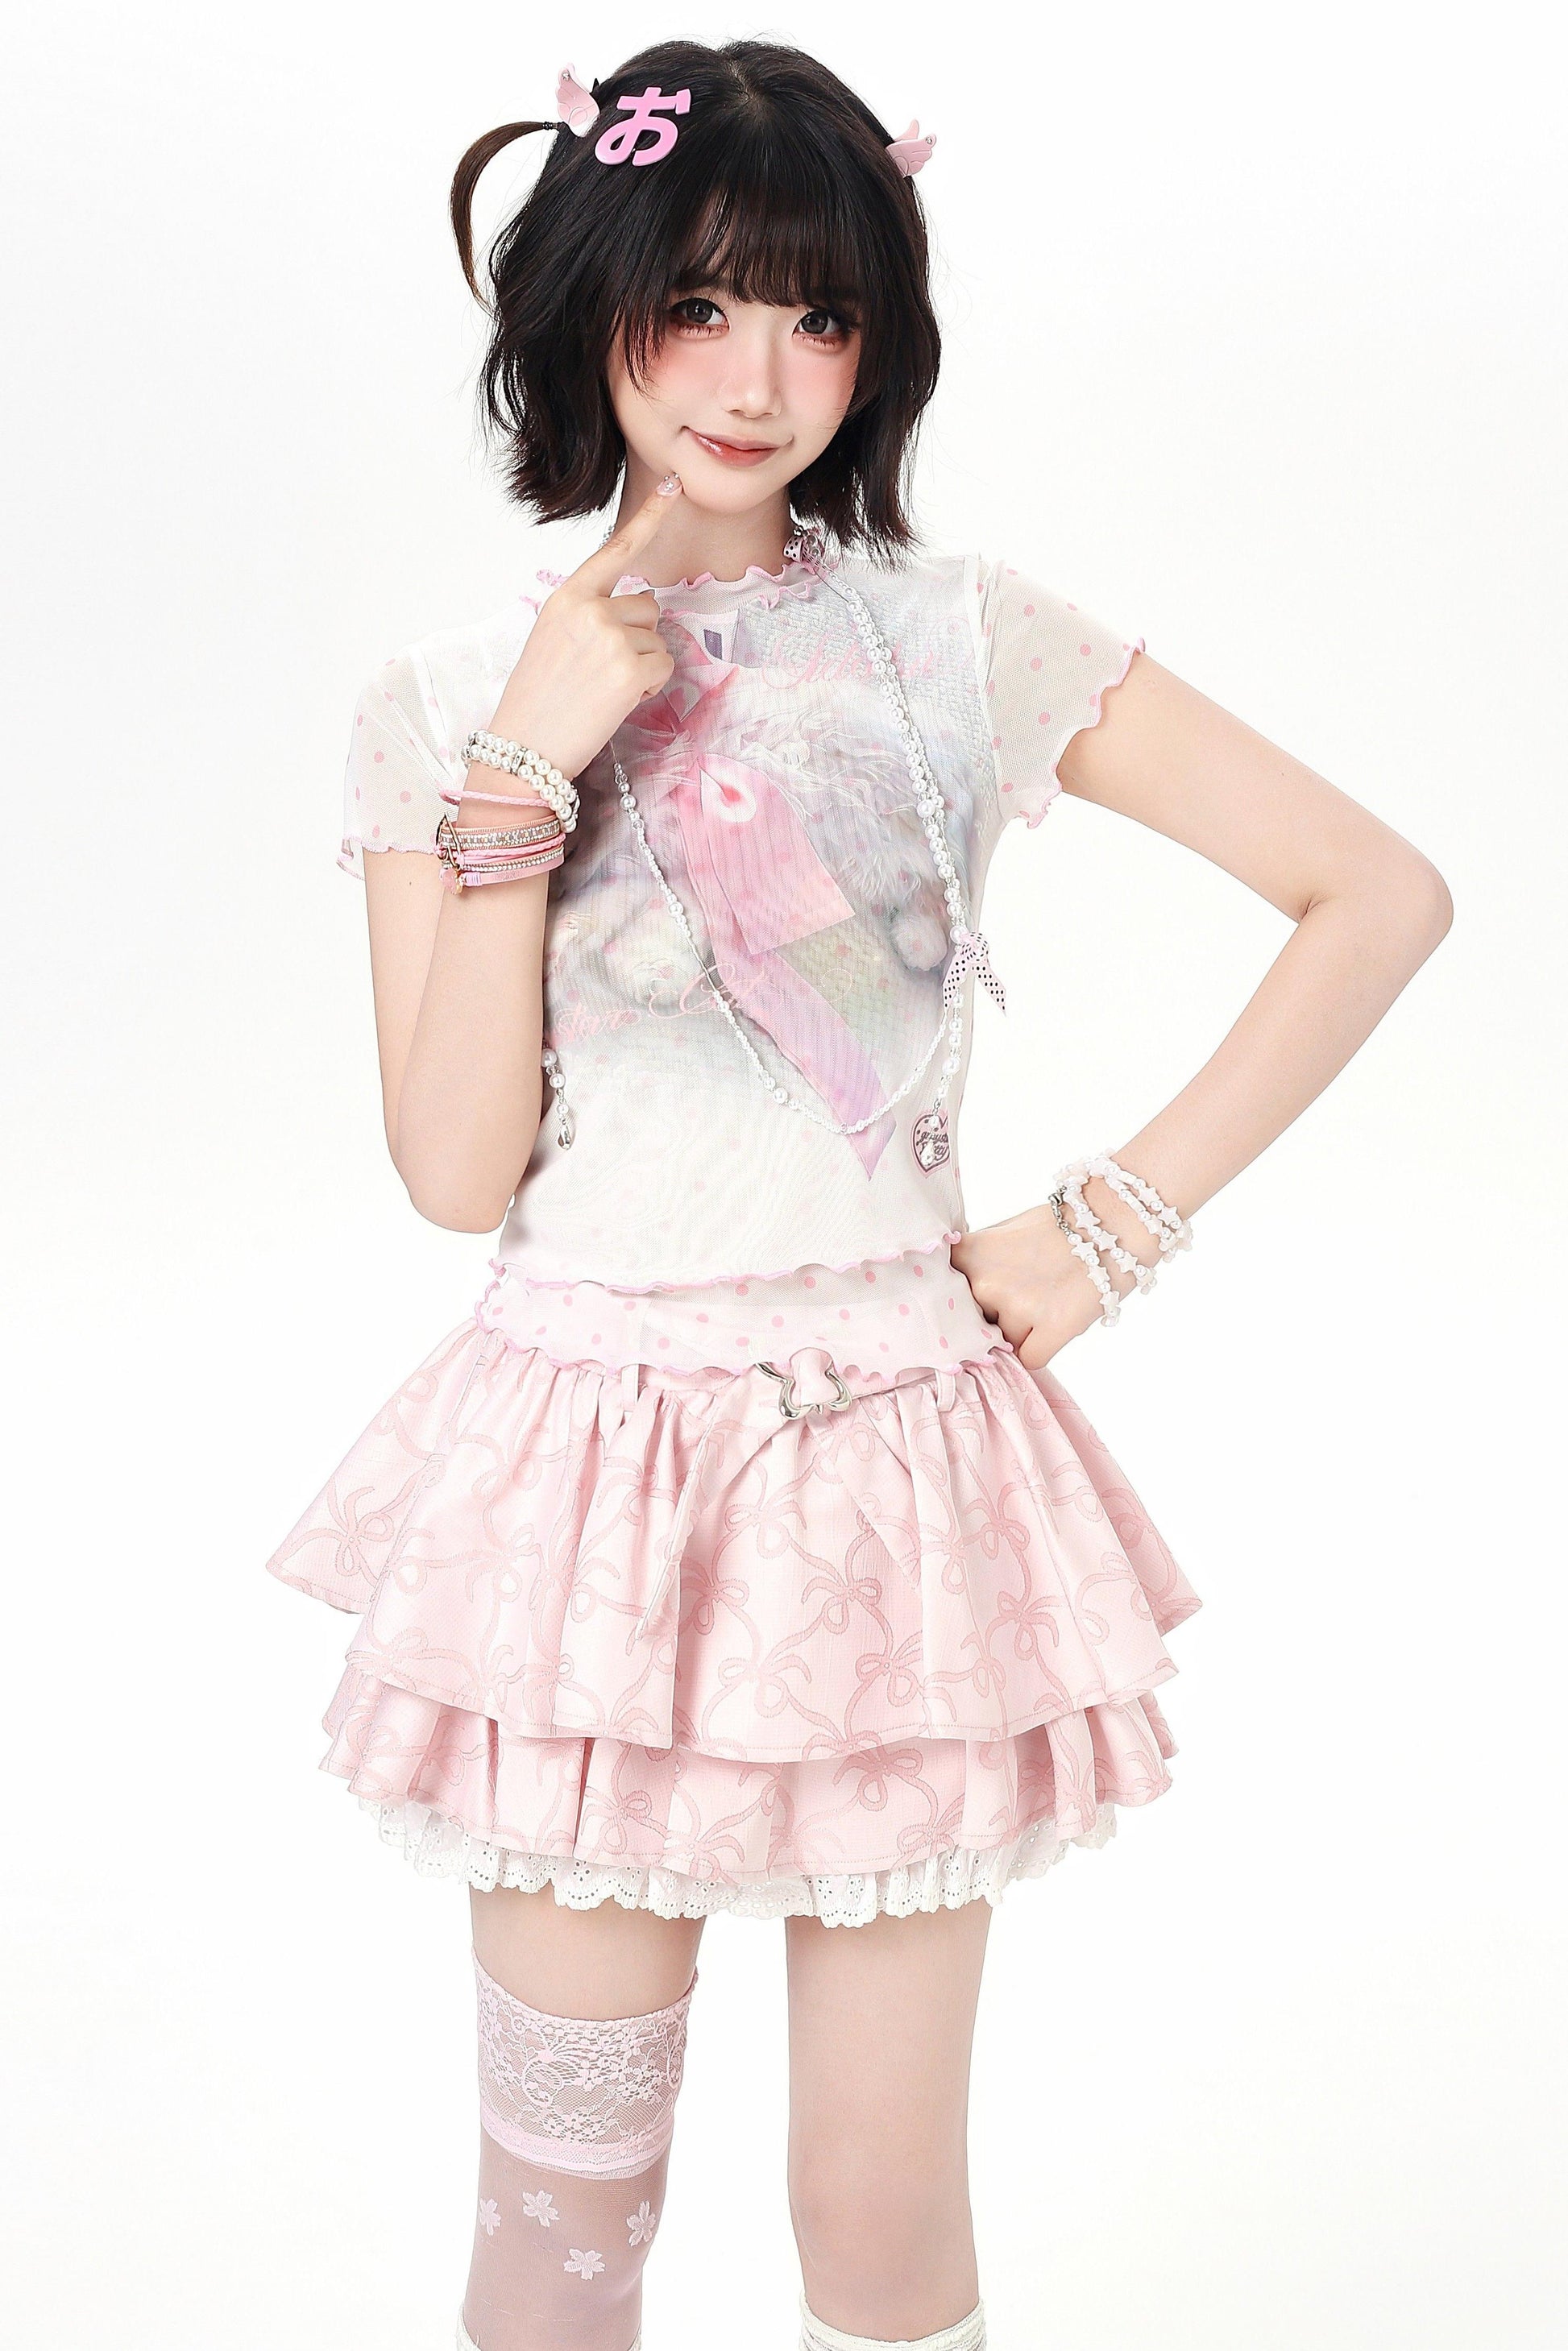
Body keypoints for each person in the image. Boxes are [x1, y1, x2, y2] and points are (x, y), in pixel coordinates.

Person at [266, 38, 1451, 2351]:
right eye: (699, 306)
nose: (758, 378)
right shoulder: (446, 694)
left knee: (881, 2226)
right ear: (591, 309)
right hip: (580, 1505)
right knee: (564, 2222)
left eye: (818, 317)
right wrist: (526, 761)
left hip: (894, 1488)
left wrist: (1107, 1226)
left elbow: (1374, 894)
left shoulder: (960, 640)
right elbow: (453, 1169)